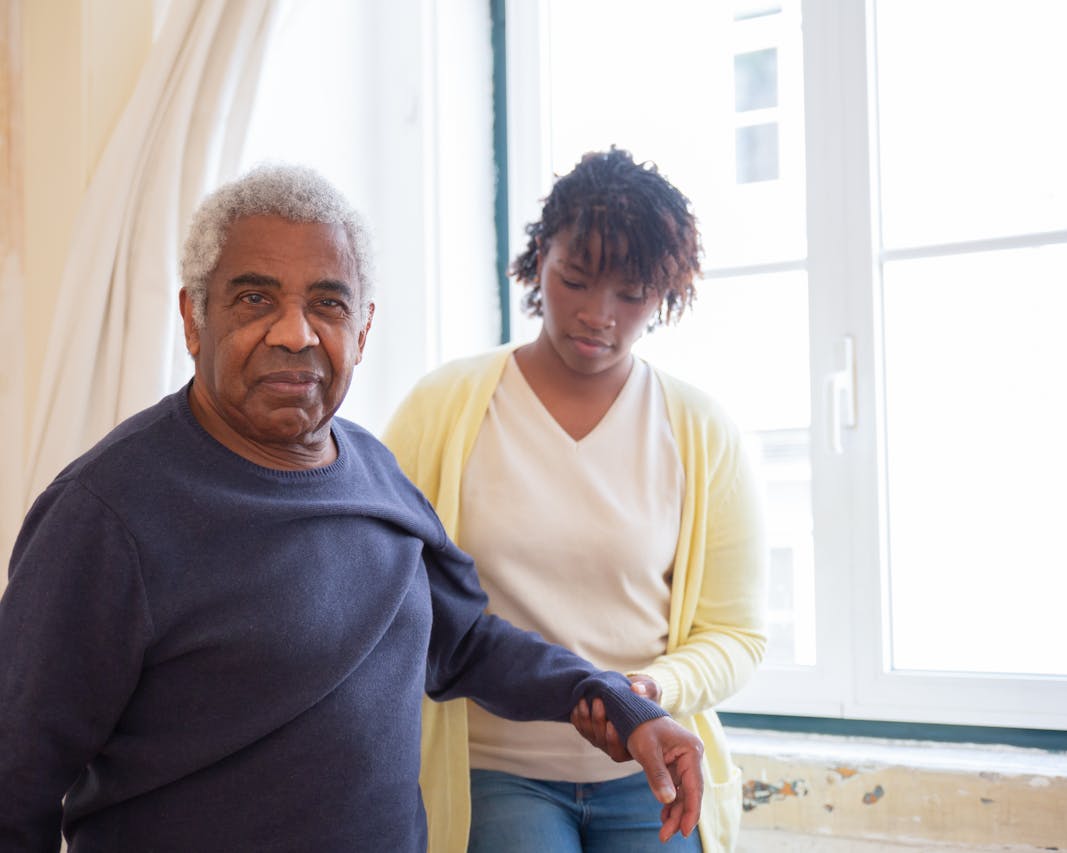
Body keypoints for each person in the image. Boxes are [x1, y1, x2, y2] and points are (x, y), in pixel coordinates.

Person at [0, 164, 705, 853]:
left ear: (362, 330)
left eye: (328, 304)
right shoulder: (104, 516)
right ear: (193, 316)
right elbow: (15, 783)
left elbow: (463, 643)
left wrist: (615, 699)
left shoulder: (374, 472)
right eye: (254, 299)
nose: (296, 333)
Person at [382, 147, 768, 853]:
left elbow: (737, 633)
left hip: (649, 763)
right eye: (576, 279)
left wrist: (650, 689)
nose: (598, 315)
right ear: (539, 258)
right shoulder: (441, 409)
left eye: (630, 295)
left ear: (668, 291)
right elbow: (386, 588)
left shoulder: (701, 431)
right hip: (494, 766)